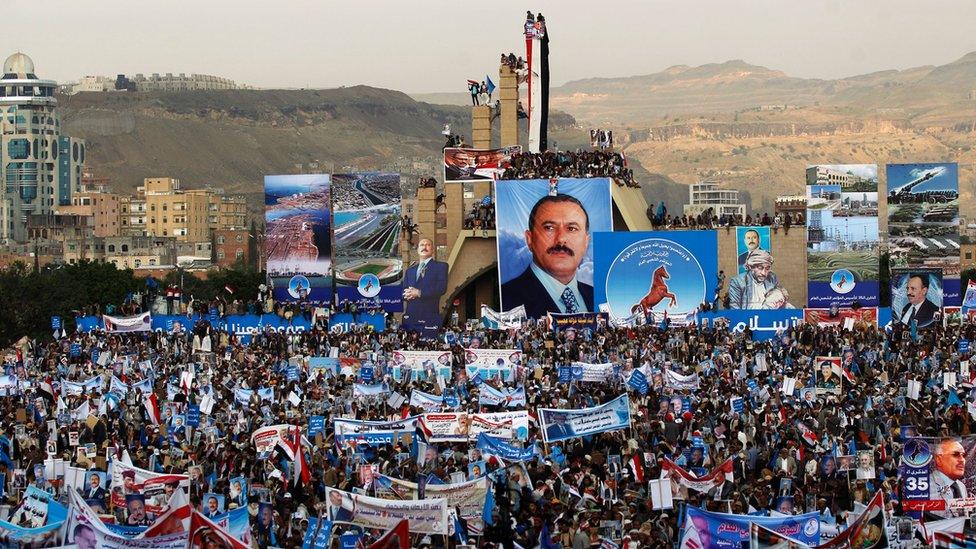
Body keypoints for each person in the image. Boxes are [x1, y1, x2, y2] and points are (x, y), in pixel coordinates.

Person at [501, 194, 594, 317]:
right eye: (549, 228)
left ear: (586, 242)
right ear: (530, 239)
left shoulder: (597, 297)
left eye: (571, 229)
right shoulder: (506, 298)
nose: (561, 239)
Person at [402, 238, 448, 337]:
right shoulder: (410, 271)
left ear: (432, 250)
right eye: (422, 245)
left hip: (429, 319)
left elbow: (441, 289)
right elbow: (403, 291)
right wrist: (407, 294)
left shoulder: (441, 267)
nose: (424, 247)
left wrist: (419, 293)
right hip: (410, 318)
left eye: (428, 245)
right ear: (418, 250)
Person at [930, 438, 968, 503]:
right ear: (939, 460)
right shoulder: (925, 485)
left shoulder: (962, 486)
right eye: (955, 454)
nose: (962, 460)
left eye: (963, 455)